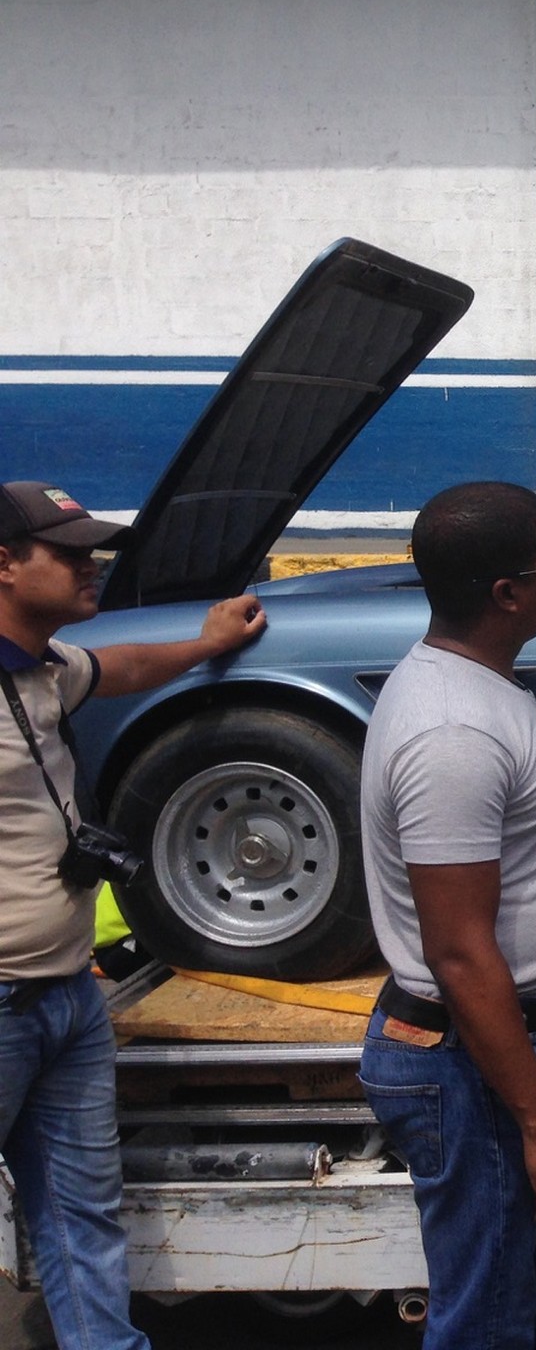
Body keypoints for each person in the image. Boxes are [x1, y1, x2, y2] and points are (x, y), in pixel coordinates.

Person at [0, 479, 265, 1350]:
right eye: (68, 553)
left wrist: (206, 643)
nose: (92, 566)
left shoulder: (42, 669)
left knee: (83, 1220)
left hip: (68, 1000)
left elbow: (121, 668)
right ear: (4, 563)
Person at [357, 482, 536, 1350]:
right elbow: (457, 951)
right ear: (508, 593)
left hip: (502, 1056)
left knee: (533, 1295)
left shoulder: (479, 688)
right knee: (489, 1322)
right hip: (475, 1070)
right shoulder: (451, 731)